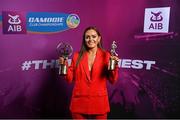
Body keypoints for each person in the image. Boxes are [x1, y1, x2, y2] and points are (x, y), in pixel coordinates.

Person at [59, 26, 119, 119]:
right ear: (84, 39)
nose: (90, 39)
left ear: (99, 39)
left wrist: (114, 65)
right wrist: (63, 64)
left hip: (99, 104)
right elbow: (69, 79)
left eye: (93, 36)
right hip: (79, 103)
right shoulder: (76, 56)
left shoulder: (106, 55)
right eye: (87, 37)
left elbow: (113, 80)